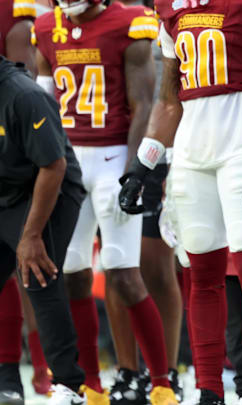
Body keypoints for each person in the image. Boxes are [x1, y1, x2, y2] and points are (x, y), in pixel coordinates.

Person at [117, 0, 242, 403]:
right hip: (192, 152)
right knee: (202, 276)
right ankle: (209, 390)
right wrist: (142, 165)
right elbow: (168, 102)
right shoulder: (173, 13)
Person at [33, 2, 177, 404]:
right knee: (74, 273)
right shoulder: (46, 26)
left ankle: (162, 383)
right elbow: (43, 104)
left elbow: (143, 105)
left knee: (123, 273)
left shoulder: (127, 22)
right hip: (68, 161)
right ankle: (89, 385)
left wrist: (132, 170)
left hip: (113, 156)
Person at [103, 1, 184, 400]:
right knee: (117, 265)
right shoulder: (111, 18)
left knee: (155, 267)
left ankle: (167, 369)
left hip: (161, 155)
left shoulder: (170, 16)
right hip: (112, 158)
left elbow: (170, 99)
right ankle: (128, 370)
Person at [0, 55, 87, 405]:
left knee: (37, 274)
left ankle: (68, 385)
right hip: (6, 189)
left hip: (47, 187)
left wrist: (32, 235)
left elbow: (53, 166)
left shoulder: (24, 95)